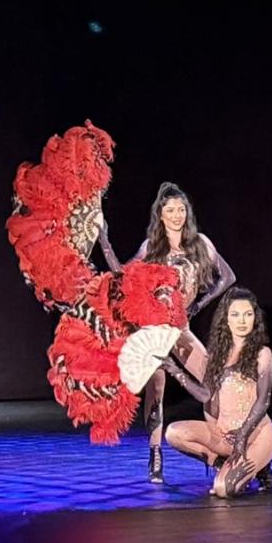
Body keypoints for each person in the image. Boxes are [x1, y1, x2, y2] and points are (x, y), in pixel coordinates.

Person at [99, 182, 235, 483]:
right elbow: (123, 276)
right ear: (160, 214)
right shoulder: (152, 247)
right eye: (170, 210)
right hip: (154, 329)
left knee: (212, 380)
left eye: (181, 209)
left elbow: (227, 277)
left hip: (181, 329)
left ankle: (222, 446)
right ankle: (155, 452)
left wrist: (198, 304)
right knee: (157, 386)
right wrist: (104, 240)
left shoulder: (200, 243)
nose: (176, 215)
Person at [159, 288, 272, 497]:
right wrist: (175, 371)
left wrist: (242, 435)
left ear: (255, 318)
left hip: (254, 436)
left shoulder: (262, 354)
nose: (242, 321)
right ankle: (220, 462)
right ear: (226, 319)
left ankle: (262, 468)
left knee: (223, 489)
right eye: (235, 314)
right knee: (173, 433)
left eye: (248, 314)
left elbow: (263, 401)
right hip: (223, 435)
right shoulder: (217, 355)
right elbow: (205, 395)